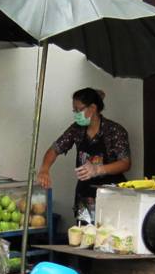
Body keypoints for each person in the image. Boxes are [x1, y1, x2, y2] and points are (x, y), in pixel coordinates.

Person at [37, 87, 131, 218]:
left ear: (92, 108)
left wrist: (98, 170)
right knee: (83, 233)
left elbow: (125, 163)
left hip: (112, 194)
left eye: (78, 110)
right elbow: (54, 149)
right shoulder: (77, 129)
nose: (76, 114)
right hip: (85, 194)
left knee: (109, 233)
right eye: (74, 110)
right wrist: (44, 169)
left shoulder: (115, 131)